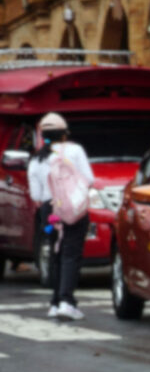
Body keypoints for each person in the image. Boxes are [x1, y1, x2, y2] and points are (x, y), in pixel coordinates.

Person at [27, 112, 94, 320]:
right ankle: (67, 301)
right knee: (71, 254)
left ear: (42, 136)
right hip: (72, 208)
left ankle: (55, 303)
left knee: (55, 253)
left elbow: (36, 195)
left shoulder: (36, 159)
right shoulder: (74, 150)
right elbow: (89, 179)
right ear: (64, 134)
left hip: (49, 213)